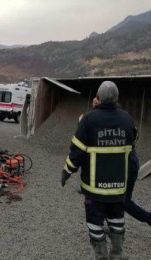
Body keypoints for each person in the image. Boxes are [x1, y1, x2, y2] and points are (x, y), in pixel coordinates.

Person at [61, 81, 137, 259]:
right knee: (117, 220)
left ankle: (99, 256)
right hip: (118, 188)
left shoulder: (88, 120)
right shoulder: (127, 118)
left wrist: (66, 171)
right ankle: (117, 254)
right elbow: (134, 140)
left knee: (95, 223)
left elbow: (76, 153)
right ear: (117, 98)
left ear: (98, 97)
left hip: (94, 190)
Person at [92, 97, 151, 226]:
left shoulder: (115, 119)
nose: (95, 100)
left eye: (98, 99)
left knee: (124, 201)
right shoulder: (117, 117)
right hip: (121, 164)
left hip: (127, 165)